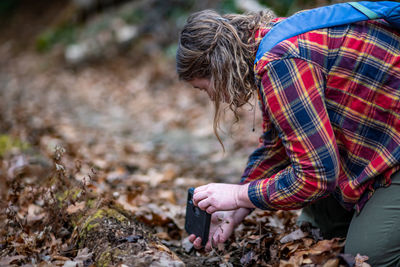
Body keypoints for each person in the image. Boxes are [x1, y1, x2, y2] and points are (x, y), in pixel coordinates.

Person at [176, 4, 400, 266]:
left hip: (391, 152)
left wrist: (239, 195)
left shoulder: (281, 61)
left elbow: (316, 176)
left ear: (217, 67)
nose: (212, 97)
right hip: (375, 142)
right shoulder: (270, 44)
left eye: (204, 89)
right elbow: (277, 146)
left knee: (369, 259)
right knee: (314, 232)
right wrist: (237, 210)